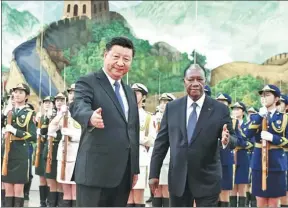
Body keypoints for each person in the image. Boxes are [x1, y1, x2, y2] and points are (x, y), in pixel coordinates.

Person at [149, 64, 237, 207]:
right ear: (184, 81)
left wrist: (227, 140)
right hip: (179, 179)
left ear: (205, 81)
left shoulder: (219, 109)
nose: (195, 83)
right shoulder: (172, 108)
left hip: (207, 179)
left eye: (199, 79)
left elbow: (234, 139)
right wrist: (153, 174)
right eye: (191, 79)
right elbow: (161, 143)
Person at [70, 36, 140, 207]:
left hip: (123, 175)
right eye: (116, 57)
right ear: (105, 55)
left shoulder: (129, 92)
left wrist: (134, 168)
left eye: (126, 59)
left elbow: (133, 131)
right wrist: (90, 117)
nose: (120, 63)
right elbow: (78, 105)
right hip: (94, 173)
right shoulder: (88, 82)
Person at [244, 84, 288, 207]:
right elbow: (247, 134)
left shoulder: (284, 118)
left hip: (276, 163)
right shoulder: (255, 117)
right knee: (261, 200)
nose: (264, 98)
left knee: (274, 201)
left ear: (276, 99)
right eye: (262, 95)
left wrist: (273, 138)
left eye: (268, 95)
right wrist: (259, 116)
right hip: (258, 162)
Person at [1, 83, 36, 207]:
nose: (17, 94)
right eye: (15, 92)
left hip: (20, 152)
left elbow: (33, 136)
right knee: (7, 188)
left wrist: (15, 131)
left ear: (26, 96)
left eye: (21, 92)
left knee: (18, 189)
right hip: (6, 151)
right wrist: (4, 113)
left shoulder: (29, 113)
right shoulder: (8, 111)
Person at [46, 84, 80, 207]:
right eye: (70, 93)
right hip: (64, 154)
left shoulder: (83, 111)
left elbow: (86, 134)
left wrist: (72, 134)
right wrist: (60, 115)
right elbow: (51, 130)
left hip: (77, 153)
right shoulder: (65, 112)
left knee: (75, 191)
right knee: (66, 191)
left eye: (75, 92)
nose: (73, 95)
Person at [128, 83, 156, 207]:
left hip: (140, 158)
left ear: (143, 97)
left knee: (138, 196)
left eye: (137, 93)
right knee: (127, 197)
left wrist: (138, 139)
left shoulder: (148, 118)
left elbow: (153, 140)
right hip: (125, 157)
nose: (134, 95)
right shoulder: (124, 113)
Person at [150, 93, 176, 207]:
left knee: (166, 188)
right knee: (156, 190)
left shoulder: (175, 118)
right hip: (156, 154)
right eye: (162, 102)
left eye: (167, 102)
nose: (163, 104)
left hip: (169, 154)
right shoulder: (153, 117)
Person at [230, 102, 253, 207]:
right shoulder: (230, 124)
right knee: (233, 186)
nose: (235, 111)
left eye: (238, 109)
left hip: (243, 155)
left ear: (243, 112)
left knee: (242, 186)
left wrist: (241, 142)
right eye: (234, 109)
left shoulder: (248, 125)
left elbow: (251, 142)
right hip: (232, 155)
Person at [45, 92, 66, 206]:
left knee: (60, 181)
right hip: (50, 150)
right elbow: (43, 132)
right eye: (57, 100)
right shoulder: (50, 115)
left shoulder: (67, 114)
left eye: (62, 100)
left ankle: (60, 204)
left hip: (61, 149)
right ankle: (51, 204)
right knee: (51, 181)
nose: (59, 102)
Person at [215, 93, 234, 207]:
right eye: (219, 102)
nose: (221, 105)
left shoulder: (233, 122)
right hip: (211, 161)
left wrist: (227, 140)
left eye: (224, 103)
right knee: (212, 193)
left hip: (225, 160)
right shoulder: (209, 119)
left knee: (225, 192)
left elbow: (239, 140)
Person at [35, 96, 54, 207]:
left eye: (50, 102)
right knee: (41, 177)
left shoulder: (54, 117)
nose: (47, 104)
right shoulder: (40, 117)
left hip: (50, 149)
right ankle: (42, 203)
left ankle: (50, 202)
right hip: (41, 149)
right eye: (45, 102)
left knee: (49, 178)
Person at [245, 106, 259, 207]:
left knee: (253, 181)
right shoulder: (245, 125)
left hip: (254, 154)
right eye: (249, 113)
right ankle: (247, 203)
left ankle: (253, 204)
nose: (251, 115)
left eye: (253, 113)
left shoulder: (257, 125)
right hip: (246, 155)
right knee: (247, 182)